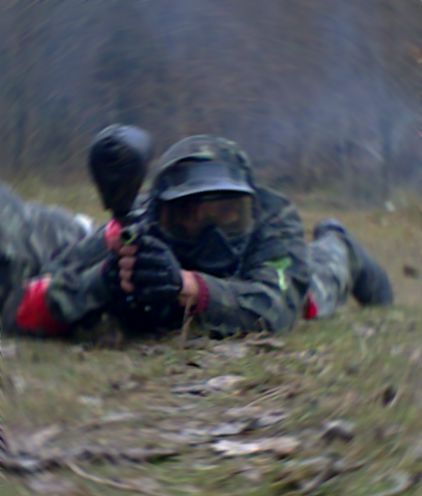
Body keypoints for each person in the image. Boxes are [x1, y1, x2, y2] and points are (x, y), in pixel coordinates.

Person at [0, 127, 393, 338]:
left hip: (260, 275)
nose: (210, 233)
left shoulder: (273, 216)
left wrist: (188, 287)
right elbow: (27, 302)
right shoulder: (139, 228)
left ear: (249, 204)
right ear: (163, 213)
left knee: (311, 295)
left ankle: (341, 242)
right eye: (188, 214)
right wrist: (103, 281)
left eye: (226, 213)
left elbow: (276, 306)